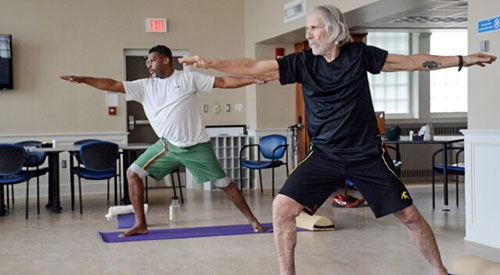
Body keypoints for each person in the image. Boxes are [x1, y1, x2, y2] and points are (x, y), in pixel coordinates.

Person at [179, 5, 497, 275]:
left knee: (410, 215)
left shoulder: (360, 55)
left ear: (333, 29)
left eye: (314, 27)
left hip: (367, 154)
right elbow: (253, 67)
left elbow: (412, 62)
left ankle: (439, 271)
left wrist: (461, 59)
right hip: (324, 155)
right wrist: (211, 63)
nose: (309, 34)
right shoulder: (302, 62)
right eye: (308, 28)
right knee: (281, 208)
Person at [60, 45, 266, 237]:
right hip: (167, 146)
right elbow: (112, 84)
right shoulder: (144, 86)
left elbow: (222, 82)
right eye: (147, 62)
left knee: (224, 184)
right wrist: (83, 79)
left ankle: (252, 220)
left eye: (152, 61)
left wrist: (252, 79)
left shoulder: (188, 79)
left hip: (197, 147)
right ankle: (140, 224)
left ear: (166, 60)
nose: (149, 65)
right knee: (132, 173)